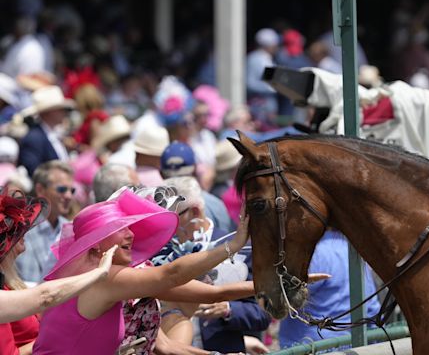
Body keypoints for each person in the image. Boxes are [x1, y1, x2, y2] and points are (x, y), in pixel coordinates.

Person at [32, 188, 252, 354]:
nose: (132, 235)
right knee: (180, 322)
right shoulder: (101, 277)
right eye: (121, 228)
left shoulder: (104, 273)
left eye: (133, 227)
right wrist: (233, 245)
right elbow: (171, 274)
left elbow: (164, 344)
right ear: (96, 242)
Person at [152, 177, 271, 354]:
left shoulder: (241, 248)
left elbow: (262, 315)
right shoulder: (159, 252)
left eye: (171, 219)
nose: (166, 228)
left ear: (195, 212)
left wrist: (228, 309)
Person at [0, 188, 117, 354]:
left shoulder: (9, 282)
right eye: (13, 232)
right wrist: (99, 273)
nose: (23, 235)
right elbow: (45, 297)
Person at [279, 229, 381, 349]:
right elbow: (372, 307)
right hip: (352, 344)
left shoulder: (312, 253)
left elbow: (283, 302)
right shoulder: (352, 249)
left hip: (310, 346)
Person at [16, 160, 75, 283]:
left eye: (72, 190)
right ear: (40, 190)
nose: (69, 196)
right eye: (62, 189)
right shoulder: (19, 227)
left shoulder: (71, 229)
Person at [160, 141, 235, 233]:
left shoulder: (155, 208)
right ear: (195, 169)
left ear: (161, 174)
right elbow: (227, 240)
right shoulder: (215, 204)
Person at [18, 86, 75, 176]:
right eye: (60, 109)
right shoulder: (34, 138)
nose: (64, 112)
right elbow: (35, 172)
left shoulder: (53, 135)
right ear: (49, 112)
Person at [246, 28, 280, 129]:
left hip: (269, 106)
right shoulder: (254, 58)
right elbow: (250, 83)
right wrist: (271, 88)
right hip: (259, 107)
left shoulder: (268, 58)